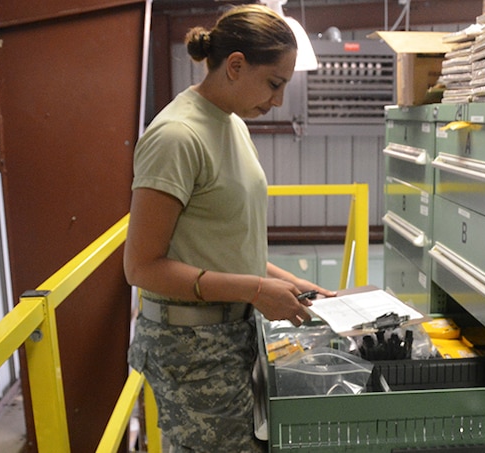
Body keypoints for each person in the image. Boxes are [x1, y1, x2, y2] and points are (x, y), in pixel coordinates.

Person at [123, 5, 334, 452]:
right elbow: (142, 267)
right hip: (192, 347)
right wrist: (256, 289)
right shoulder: (178, 136)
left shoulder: (232, 124)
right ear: (235, 66)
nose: (278, 100)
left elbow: (223, 243)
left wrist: (289, 283)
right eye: (274, 83)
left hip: (233, 332)